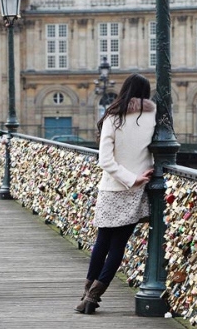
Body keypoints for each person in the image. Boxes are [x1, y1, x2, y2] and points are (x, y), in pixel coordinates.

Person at [74, 73, 156, 314]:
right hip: (138, 189)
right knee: (118, 245)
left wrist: (128, 178)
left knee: (102, 242)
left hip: (112, 187)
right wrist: (138, 178)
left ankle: (87, 295)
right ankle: (92, 297)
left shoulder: (113, 116)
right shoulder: (152, 115)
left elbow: (105, 161)